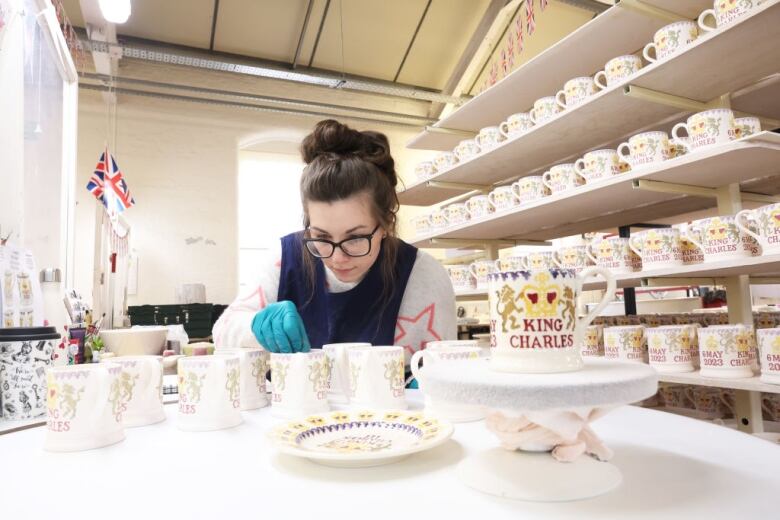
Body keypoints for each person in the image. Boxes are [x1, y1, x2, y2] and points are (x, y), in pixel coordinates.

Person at [213, 119, 456, 365]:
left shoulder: (422, 275)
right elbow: (222, 331)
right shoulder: (284, 259)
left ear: (385, 226)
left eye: (355, 239)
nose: (337, 258)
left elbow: (442, 373)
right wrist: (254, 328)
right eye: (321, 237)